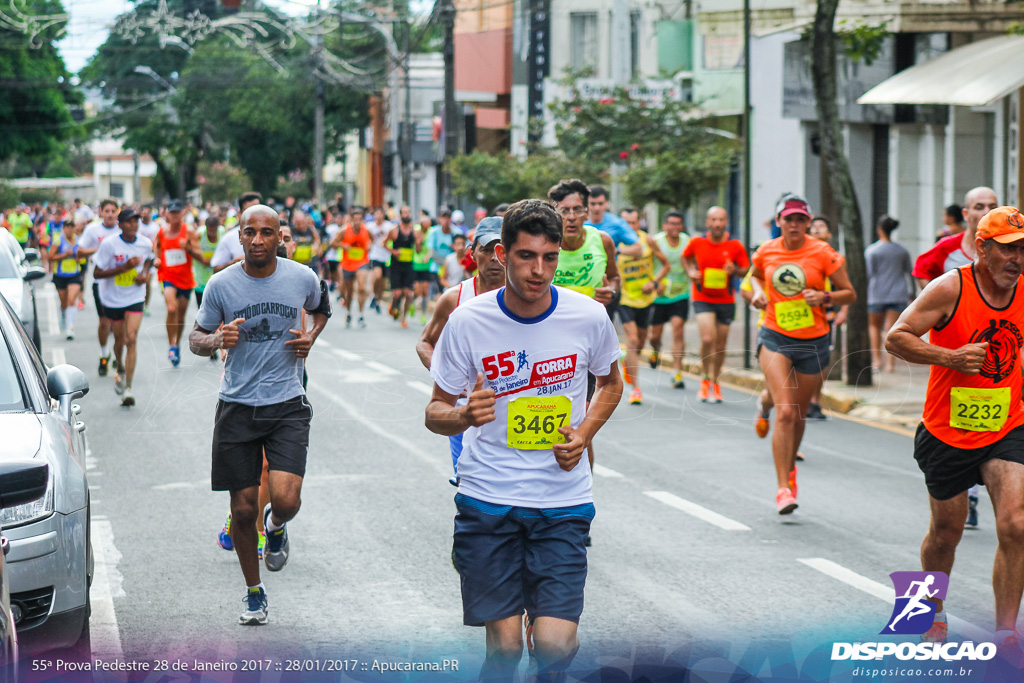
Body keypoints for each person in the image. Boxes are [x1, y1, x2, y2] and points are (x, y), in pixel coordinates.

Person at [425, 199, 623, 682]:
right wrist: (463, 414)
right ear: (501, 253)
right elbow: (434, 412)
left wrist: (583, 433)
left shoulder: (587, 316)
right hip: (489, 500)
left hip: (562, 501)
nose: (539, 271)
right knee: (506, 650)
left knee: (554, 645)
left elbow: (611, 382)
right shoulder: (469, 320)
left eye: (550, 258)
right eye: (526, 256)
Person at [885, 205, 1024, 648]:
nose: (1017, 258)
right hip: (947, 429)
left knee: (1017, 524)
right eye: (1007, 249)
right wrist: (949, 356)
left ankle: (1006, 633)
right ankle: (928, 610)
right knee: (947, 532)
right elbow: (896, 336)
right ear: (982, 248)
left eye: (1023, 249)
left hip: (1007, 423)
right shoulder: (951, 288)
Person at [189, 204, 330, 626]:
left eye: (266, 232)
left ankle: (279, 525)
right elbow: (196, 337)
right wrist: (216, 338)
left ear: (280, 237)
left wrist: (311, 335)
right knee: (243, 511)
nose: (257, 240)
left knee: (285, 499)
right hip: (236, 405)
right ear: (238, 235)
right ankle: (254, 592)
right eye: (249, 232)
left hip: (287, 402)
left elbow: (321, 308)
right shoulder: (220, 285)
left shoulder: (301, 277)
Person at [749, 195, 855, 514]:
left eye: (799, 219)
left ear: (808, 223)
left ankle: (790, 470)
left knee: (798, 414)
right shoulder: (766, 251)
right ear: (778, 221)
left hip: (814, 340)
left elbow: (849, 292)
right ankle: (783, 488)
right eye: (788, 219)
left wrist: (823, 296)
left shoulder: (823, 252)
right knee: (784, 411)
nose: (793, 225)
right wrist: (757, 293)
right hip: (775, 335)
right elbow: (754, 276)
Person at [912, 186, 1000, 529]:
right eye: (979, 206)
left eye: (992, 205)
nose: (985, 210)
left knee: (1015, 524)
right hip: (953, 376)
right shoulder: (948, 255)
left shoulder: (1013, 266)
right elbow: (922, 270)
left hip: (1000, 383)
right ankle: (925, 585)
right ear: (966, 214)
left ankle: (975, 499)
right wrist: (940, 314)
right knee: (943, 535)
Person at [417, 217, 506, 485]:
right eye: (486, 249)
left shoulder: (529, 298)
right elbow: (425, 342)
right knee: (468, 482)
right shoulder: (454, 298)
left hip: (510, 409)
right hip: (464, 410)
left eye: (500, 250)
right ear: (472, 253)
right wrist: (447, 375)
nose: (494, 258)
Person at [682, 206, 750, 403]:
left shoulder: (735, 245)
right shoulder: (697, 242)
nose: (717, 223)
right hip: (702, 296)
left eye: (721, 219)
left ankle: (716, 380)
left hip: (726, 298)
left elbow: (745, 269)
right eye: (714, 220)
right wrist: (691, 272)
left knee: (720, 344)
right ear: (707, 223)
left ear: (726, 222)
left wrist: (734, 269)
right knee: (707, 338)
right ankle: (704, 378)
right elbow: (685, 257)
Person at [92, 209, 155, 407]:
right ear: (120, 225)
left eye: (135, 221)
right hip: (112, 299)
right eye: (128, 222)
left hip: (135, 296)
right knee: (119, 341)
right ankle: (118, 366)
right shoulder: (109, 245)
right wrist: (124, 268)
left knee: (131, 338)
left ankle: (128, 387)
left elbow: (149, 260)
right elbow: (96, 273)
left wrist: (144, 274)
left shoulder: (145, 243)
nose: (133, 225)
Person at [617, 207, 670, 405]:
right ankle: (635, 389)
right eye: (626, 223)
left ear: (639, 223)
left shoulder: (648, 240)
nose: (630, 227)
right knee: (631, 341)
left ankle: (628, 362)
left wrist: (655, 283)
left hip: (646, 299)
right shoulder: (615, 243)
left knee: (640, 342)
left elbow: (665, 265)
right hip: (624, 298)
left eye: (634, 223)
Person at [77, 198, 122, 377]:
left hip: (121, 283)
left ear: (117, 212)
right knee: (104, 322)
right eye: (107, 211)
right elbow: (80, 251)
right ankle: (104, 354)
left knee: (119, 325)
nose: (110, 215)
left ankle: (119, 355)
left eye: (113, 211)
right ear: (101, 212)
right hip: (100, 282)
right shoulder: (93, 230)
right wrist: (99, 250)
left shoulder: (123, 229)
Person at [156, 200, 201, 367]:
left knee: (180, 315)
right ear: (167, 214)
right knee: (171, 308)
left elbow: (199, 254)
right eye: (172, 213)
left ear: (182, 214)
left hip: (185, 279)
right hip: (167, 276)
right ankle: (172, 345)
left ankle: (177, 341)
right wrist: (157, 259)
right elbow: (157, 247)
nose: (175, 216)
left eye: (178, 213)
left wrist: (188, 247)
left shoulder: (189, 232)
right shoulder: (162, 232)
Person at [866, 215, 914, 373]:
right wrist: (911, 293)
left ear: (879, 229)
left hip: (876, 293)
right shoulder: (901, 251)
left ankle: (876, 361)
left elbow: (869, 273)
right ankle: (890, 364)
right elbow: (909, 273)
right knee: (891, 328)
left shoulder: (872, 251)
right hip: (898, 293)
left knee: (874, 327)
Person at [649, 211, 691, 389]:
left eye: (678, 224)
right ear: (664, 225)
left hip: (680, 294)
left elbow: (692, 261)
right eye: (671, 224)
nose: (675, 227)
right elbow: (647, 264)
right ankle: (655, 350)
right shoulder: (656, 241)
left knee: (678, 330)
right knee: (654, 336)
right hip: (659, 296)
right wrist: (654, 281)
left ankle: (676, 372)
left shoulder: (687, 241)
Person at [331, 207, 373, 328]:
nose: (357, 222)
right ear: (351, 220)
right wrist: (344, 246)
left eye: (360, 219)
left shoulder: (366, 231)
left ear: (362, 220)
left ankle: (361, 314)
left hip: (362, 262)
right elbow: (333, 243)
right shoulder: (344, 231)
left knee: (361, 288)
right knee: (349, 291)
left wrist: (369, 245)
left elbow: (372, 240)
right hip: (347, 264)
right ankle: (348, 312)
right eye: (355, 219)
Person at [48, 220, 84, 340]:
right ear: (64, 229)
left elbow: (83, 258)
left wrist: (79, 258)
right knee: (64, 303)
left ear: (74, 228)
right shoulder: (58, 241)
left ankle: (70, 328)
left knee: (71, 300)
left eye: (71, 227)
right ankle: (63, 314)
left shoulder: (79, 241)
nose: (69, 230)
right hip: (60, 275)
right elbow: (50, 257)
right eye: (66, 227)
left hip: (75, 274)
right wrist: (64, 255)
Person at [211, 192, 262, 274]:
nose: (254, 215)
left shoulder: (271, 236)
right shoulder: (229, 239)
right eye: (248, 211)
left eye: (257, 211)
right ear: (240, 213)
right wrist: (234, 263)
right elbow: (216, 270)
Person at [387, 211, 417, 327]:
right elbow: (383, 243)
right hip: (396, 265)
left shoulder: (414, 231)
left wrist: (418, 242)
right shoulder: (394, 231)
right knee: (398, 294)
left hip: (408, 265)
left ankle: (404, 317)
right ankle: (394, 305)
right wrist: (394, 251)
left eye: (408, 213)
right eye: (404, 213)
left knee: (408, 293)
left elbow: (418, 248)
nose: (406, 215)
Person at [367, 206, 393, 313]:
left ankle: (377, 299)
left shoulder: (389, 226)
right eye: (376, 214)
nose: (378, 216)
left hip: (386, 256)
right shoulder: (370, 227)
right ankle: (373, 294)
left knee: (383, 281)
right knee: (378, 275)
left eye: (380, 213)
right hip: (375, 254)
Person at [195, 215, 222, 311]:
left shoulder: (222, 233)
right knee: (202, 309)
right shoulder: (200, 234)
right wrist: (206, 261)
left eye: (214, 231)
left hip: (218, 279)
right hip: (200, 281)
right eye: (209, 231)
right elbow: (192, 250)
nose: (211, 234)